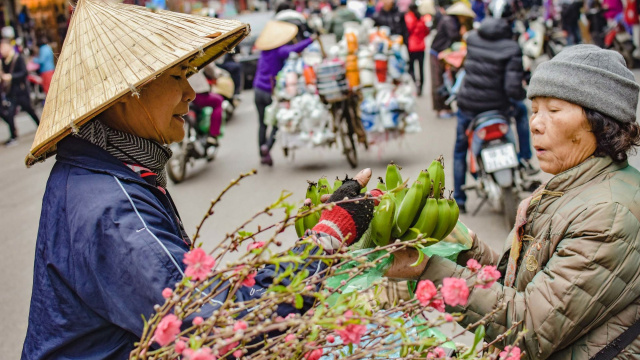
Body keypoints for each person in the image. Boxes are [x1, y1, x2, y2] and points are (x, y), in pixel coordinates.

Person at [21, 0, 376, 358]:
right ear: (124, 96)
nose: (190, 92)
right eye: (176, 76)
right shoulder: (113, 209)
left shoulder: (102, 172)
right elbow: (215, 320)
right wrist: (327, 237)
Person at [386, 45, 640, 359]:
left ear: (600, 121)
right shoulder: (572, 185)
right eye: (534, 110)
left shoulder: (610, 214)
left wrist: (427, 270)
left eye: (554, 110)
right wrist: (466, 247)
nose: (535, 123)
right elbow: (522, 285)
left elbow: (528, 326)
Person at [452, 12, 536, 213]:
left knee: (460, 150)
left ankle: (460, 199)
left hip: (469, 107)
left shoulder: (472, 40)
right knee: (523, 111)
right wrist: (521, 95)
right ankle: (525, 157)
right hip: (497, 107)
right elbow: (512, 88)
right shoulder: (511, 48)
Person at [253, 20, 314, 166]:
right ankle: (267, 147)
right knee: (276, 123)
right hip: (270, 92)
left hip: (257, 90)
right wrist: (311, 39)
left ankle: (262, 153)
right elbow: (296, 48)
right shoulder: (279, 50)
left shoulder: (264, 52)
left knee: (262, 123)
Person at [429, 2, 475, 118]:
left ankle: (447, 107)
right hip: (437, 52)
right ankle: (440, 109)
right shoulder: (448, 21)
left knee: (446, 80)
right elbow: (453, 36)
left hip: (444, 53)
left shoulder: (453, 21)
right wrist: (461, 34)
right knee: (437, 81)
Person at [0, 39, 39, 146]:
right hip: (11, 93)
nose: (1, 50)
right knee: (10, 114)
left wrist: (11, 77)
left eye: (3, 47)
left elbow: (24, 73)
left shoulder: (18, 58)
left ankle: (40, 127)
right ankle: (13, 136)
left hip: (21, 92)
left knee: (30, 110)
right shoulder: (3, 61)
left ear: (9, 47)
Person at [188, 64, 224, 146]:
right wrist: (214, 76)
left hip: (182, 96)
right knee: (218, 100)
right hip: (197, 94)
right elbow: (209, 67)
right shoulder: (195, 54)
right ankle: (213, 134)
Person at [405, 3, 430, 96]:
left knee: (411, 68)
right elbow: (426, 31)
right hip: (421, 46)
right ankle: (421, 85)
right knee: (421, 68)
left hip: (412, 46)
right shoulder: (421, 19)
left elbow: (407, 30)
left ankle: (416, 82)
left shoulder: (409, 18)